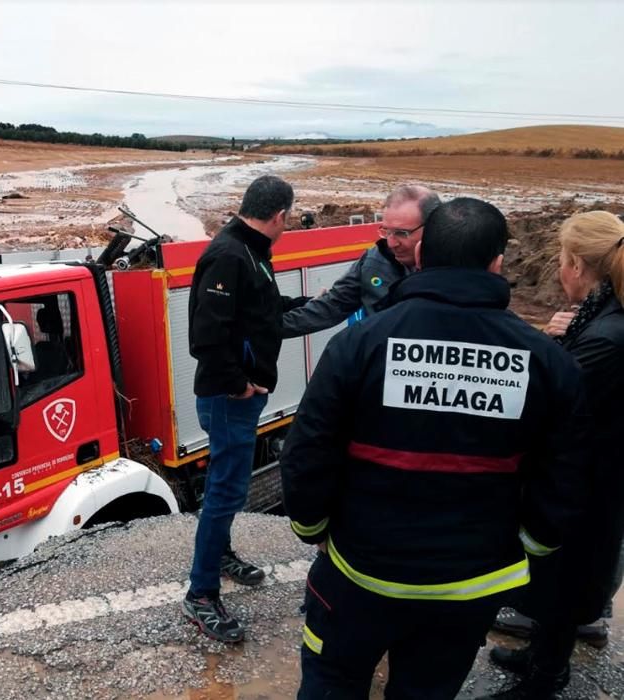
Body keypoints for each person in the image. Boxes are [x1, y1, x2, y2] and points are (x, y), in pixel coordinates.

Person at [280, 197, 589, 699]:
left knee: (332, 682)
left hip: (359, 575)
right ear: (497, 263)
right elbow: (566, 476)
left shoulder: (362, 345)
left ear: (420, 253)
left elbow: (308, 450)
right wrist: (530, 544)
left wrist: (311, 527)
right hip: (470, 587)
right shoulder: (548, 362)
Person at [482, 211, 624, 699]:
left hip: (589, 484)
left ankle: (545, 679)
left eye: (562, 261)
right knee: (557, 575)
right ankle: (541, 656)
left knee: (564, 578)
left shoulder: (607, 336)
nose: (560, 270)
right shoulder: (599, 317)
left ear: (580, 267)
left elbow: (550, 399)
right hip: (588, 475)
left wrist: (548, 346)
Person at [183, 174, 307, 643]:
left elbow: (261, 312)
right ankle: (201, 594)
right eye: (288, 218)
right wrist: (238, 385)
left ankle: (221, 555)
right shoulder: (230, 254)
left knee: (226, 486)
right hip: (228, 398)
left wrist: (325, 305)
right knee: (225, 492)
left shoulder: (251, 252)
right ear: (279, 216)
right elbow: (205, 336)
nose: (287, 224)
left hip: (238, 396)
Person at [281, 184, 440, 337]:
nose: (391, 243)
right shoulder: (374, 261)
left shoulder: (457, 267)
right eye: (386, 231)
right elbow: (332, 306)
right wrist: (266, 329)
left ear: (434, 227)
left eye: (401, 233)